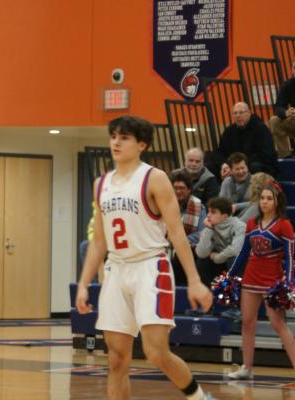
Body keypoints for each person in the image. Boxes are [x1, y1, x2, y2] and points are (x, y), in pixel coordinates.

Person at [76, 116, 213, 400]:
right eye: (113, 135)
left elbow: (176, 233)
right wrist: (83, 283)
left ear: (141, 144)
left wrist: (195, 280)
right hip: (116, 269)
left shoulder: (155, 178)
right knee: (115, 358)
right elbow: (99, 240)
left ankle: (199, 397)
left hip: (151, 267)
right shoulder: (101, 184)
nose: (115, 141)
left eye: (124, 137)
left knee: (155, 352)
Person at [225, 182, 295, 380]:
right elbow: (245, 252)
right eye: (262, 198)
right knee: (247, 323)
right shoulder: (251, 223)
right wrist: (231, 274)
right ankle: (247, 368)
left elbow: (290, 257)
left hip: (272, 281)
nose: (264, 202)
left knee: (278, 324)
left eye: (269, 199)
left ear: (276, 201)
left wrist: (289, 282)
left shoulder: (284, 225)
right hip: (251, 277)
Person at [195, 196, 246, 287]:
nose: (208, 215)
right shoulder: (211, 226)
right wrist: (208, 229)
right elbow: (201, 253)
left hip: (240, 264)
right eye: (209, 211)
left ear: (224, 216)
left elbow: (235, 250)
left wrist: (217, 258)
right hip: (222, 262)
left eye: (213, 212)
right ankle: (210, 292)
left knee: (233, 259)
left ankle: (236, 291)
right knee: (202, 261)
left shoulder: (240, 226)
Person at [217, 102, 277, 177]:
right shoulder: (229, 131)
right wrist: (224, 165)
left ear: (249, 113)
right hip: (234, 166)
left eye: (241, 112)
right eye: (235, 113)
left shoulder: (261, 129)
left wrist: (239, 165)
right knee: (212, 166)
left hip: (261, 167)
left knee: (254, 166)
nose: (238, 115)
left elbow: (265, 155)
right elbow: (220, 152)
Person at [171, 170, 205, 286]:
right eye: (175, 188)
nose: (178, 191)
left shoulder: (199, 206)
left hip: (188, 250)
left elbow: (202, 233)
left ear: (189, 190)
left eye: (182, 188)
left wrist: (179, 240)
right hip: (166, 248)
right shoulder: (165, 205)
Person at [270, 60, 295, 158]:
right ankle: (286, 157)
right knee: (274, 121)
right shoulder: (288, 85)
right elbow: (278, 106)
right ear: (292, 71)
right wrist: (286, 113)